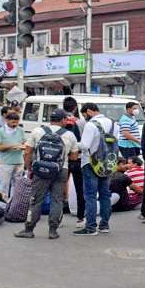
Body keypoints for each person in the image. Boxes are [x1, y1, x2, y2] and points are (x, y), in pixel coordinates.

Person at [16, 109, 77, 240]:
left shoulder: (37, 131)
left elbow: (27, 152)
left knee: (36, 200)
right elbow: (74, 156)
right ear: (63, 120)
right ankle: (53, 231)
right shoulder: (70, 135)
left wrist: (29, 168)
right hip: (61, 170)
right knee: (57, 200)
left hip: (40, 170)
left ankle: (28, 229)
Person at [76, 102, 120, 235]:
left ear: (89, 111)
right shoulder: (113, 124)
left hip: (90, 163)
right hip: (108, 163)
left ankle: (90, 227)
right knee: (105, 194)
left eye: (84, 115)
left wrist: (74, 143)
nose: (84, 118)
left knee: (90, 196)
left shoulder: (91, 125)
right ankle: (104, 225)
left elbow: (85, 145)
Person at [62, 97, 86, 226]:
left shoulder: (61, 121)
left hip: (63, 158)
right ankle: (81, 218)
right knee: (79, 188)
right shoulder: (81, 122)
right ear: (75, 108)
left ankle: (58, 216)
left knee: (59, 187)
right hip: (78, 158)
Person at [0, 111, 25, 201]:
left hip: (19, 162)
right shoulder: (0, 132)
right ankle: (3, 205)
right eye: (12, 122)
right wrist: (12, 145)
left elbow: (24, 143)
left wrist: (22, 147)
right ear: (7, 120)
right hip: (6, 163)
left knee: (18, 186)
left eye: (16, 122)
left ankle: (15, 204)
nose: (15, 124)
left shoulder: (20, 131)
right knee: (4, 186)